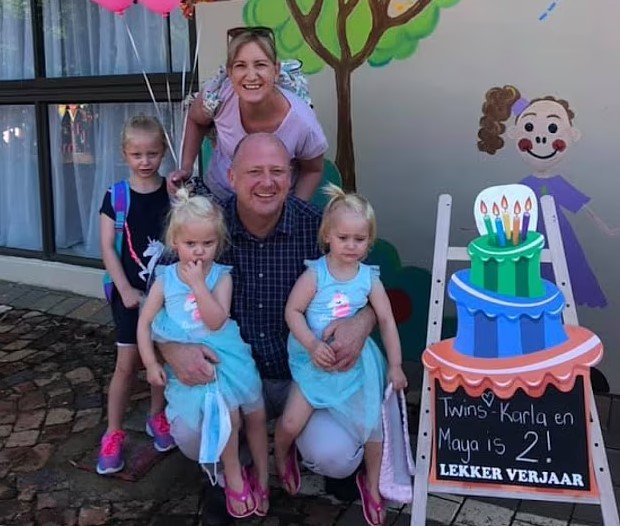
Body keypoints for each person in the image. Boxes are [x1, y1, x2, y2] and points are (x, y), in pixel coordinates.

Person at [161, 133, 376, 525]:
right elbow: (154, 300)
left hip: (303, 376)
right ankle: (233, 470)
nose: (267, 181)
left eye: (277, 171)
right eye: (254, 171)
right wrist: (170, 349)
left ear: (290, 177)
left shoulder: (319, 228)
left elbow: (370, 291)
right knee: (192, 432)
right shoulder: (204, 227)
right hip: (228, 378)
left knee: (335, 455)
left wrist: (360, 324)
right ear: (231, 176)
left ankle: (307, 454)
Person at [274, 184, 407, 526]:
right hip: (314, 362)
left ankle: (373, 486)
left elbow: (386, 320)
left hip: (354, 366)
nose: (351, 245)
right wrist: (311, 344)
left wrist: (395, 365)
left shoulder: (368, 279)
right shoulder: (315, 274)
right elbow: (293, 311)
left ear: (369, 241)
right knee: (289, 423)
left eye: (359, 239)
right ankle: (283, 455)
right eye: (343, 237)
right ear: (327, 236)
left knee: (372, 429)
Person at [137, 188, 269, 518]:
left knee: (254, 414)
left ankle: (264, 477)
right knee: (226, 415)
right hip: (191, 363)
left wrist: (198, 285)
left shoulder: (221, 276)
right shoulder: (165, 279)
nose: (199, 251)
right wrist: (150, 362)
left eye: (207, 244)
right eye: (190, 244)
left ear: (218, 242)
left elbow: (216, 320)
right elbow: (144, 323)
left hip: (227, 356)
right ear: (175, 242)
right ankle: (233, 475)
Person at [477, 85, 620, 308]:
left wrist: (607, 230)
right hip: (525, 239)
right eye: (530, 128)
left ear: (573, 134)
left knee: (563, 276)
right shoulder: (523, 187)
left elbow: (583, 209)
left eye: (552, 128)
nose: (541, 138)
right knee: (526, 282)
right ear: (515, 134)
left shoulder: (557, 184)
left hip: (559, 237)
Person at [97, 115, 175, 475]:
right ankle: (113, 432)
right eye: (137, 154)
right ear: (124, 154)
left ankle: (156, 416)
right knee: (126, 365)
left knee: (160, 358)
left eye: (153, 153)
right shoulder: (116, 197)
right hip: (129, 297)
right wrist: (125, 289)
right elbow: (107, 248)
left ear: (163, 152)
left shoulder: (171, 194)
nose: (145, 161)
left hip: (165, 296)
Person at [168, 26, 328, 202]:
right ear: (230, 73)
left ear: (276, 70)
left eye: (260, 65)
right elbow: (195, 119)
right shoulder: (218, 97)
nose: (251, 76)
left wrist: (294, 209)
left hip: (273, 203)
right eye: (240, 66)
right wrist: (186, 167)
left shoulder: (302, 122)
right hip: (220, 196)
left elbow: (312, 170)